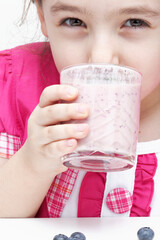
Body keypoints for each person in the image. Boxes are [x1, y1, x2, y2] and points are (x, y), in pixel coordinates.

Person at [0, 0, 160, 218]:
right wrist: (31, 165)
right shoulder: (13, 88)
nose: (101, 57)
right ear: (43, 17)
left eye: (135, 22)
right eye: (73, 21)